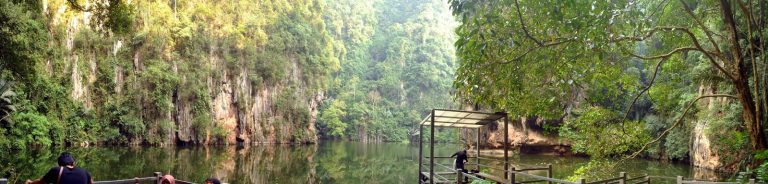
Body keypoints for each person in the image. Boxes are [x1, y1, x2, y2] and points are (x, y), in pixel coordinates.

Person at [26, 152, 93, 184]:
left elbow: (41, 182)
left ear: (60, 164)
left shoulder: (57, 170)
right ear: (73, 163)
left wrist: (30, 182)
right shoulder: (85, 172)